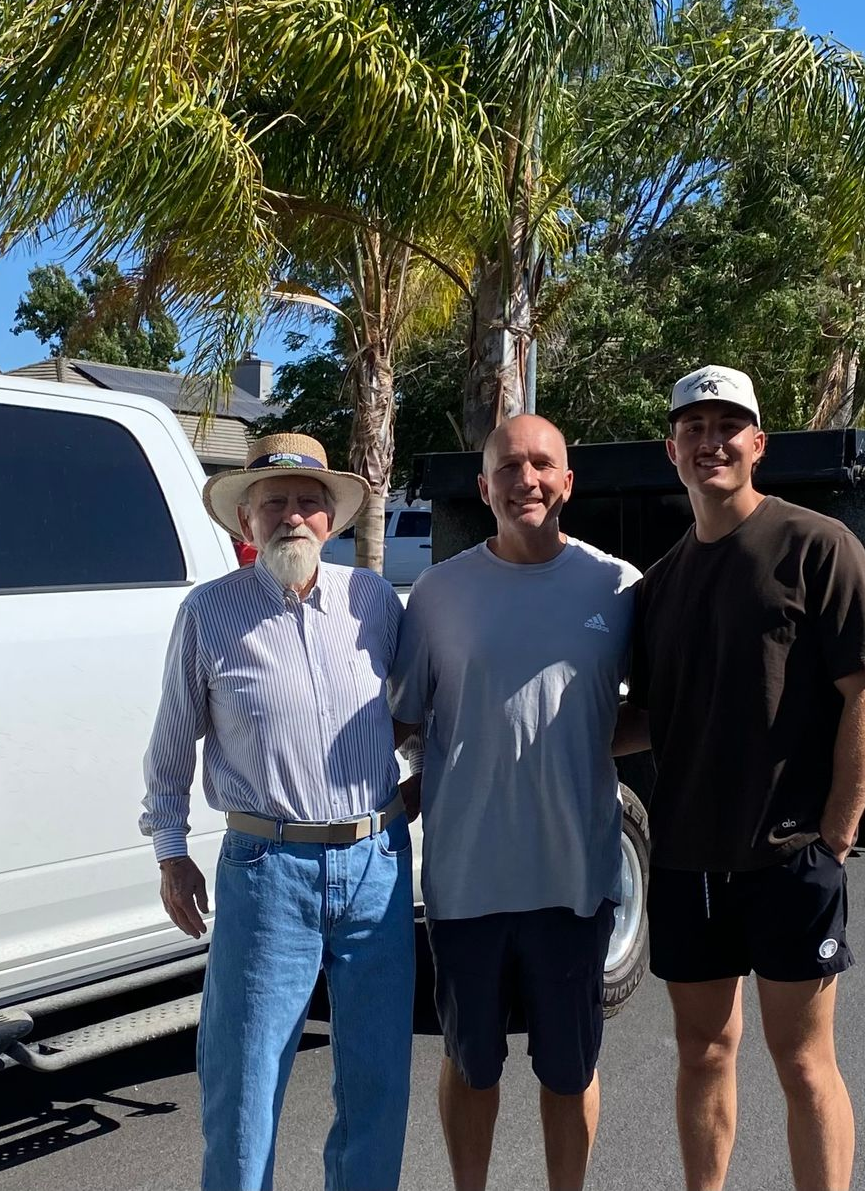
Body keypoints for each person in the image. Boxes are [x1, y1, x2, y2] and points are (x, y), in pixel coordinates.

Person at [617, 366, 865, 1191]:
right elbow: (649, 719)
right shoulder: (659, 582)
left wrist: (836, 835)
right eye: (693, 428)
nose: (711, 441)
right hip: (687, 857)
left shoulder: (816, 547)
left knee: (804, 1064)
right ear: (672, 450)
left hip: (789, 856)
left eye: (727, 426)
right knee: (703, 1053)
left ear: (757, 443)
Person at [141, 433, 414, 1191]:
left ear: (330, 518)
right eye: (274, 504)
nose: (292, 516)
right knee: (245, 1082)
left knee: (377, 1081)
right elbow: (168, 752)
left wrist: (411, 802)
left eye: (307, 503)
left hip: (377, 869)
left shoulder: (373, 601)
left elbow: (413, 719)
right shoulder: (210, 613)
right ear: (246, 523)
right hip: (268, 872)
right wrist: (170, 853)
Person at [388, 414, 639, 1191]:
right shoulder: (437, 593)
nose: (524, 479)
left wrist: (578, 741)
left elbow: (656, 710)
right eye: (507, 465)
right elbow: (404, 720)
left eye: (541, 464)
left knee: (569, 1071)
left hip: (573, 879)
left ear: (567, 481)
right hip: (466, 883)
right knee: (472, 1065)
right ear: (482, 485)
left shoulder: (618, 587)